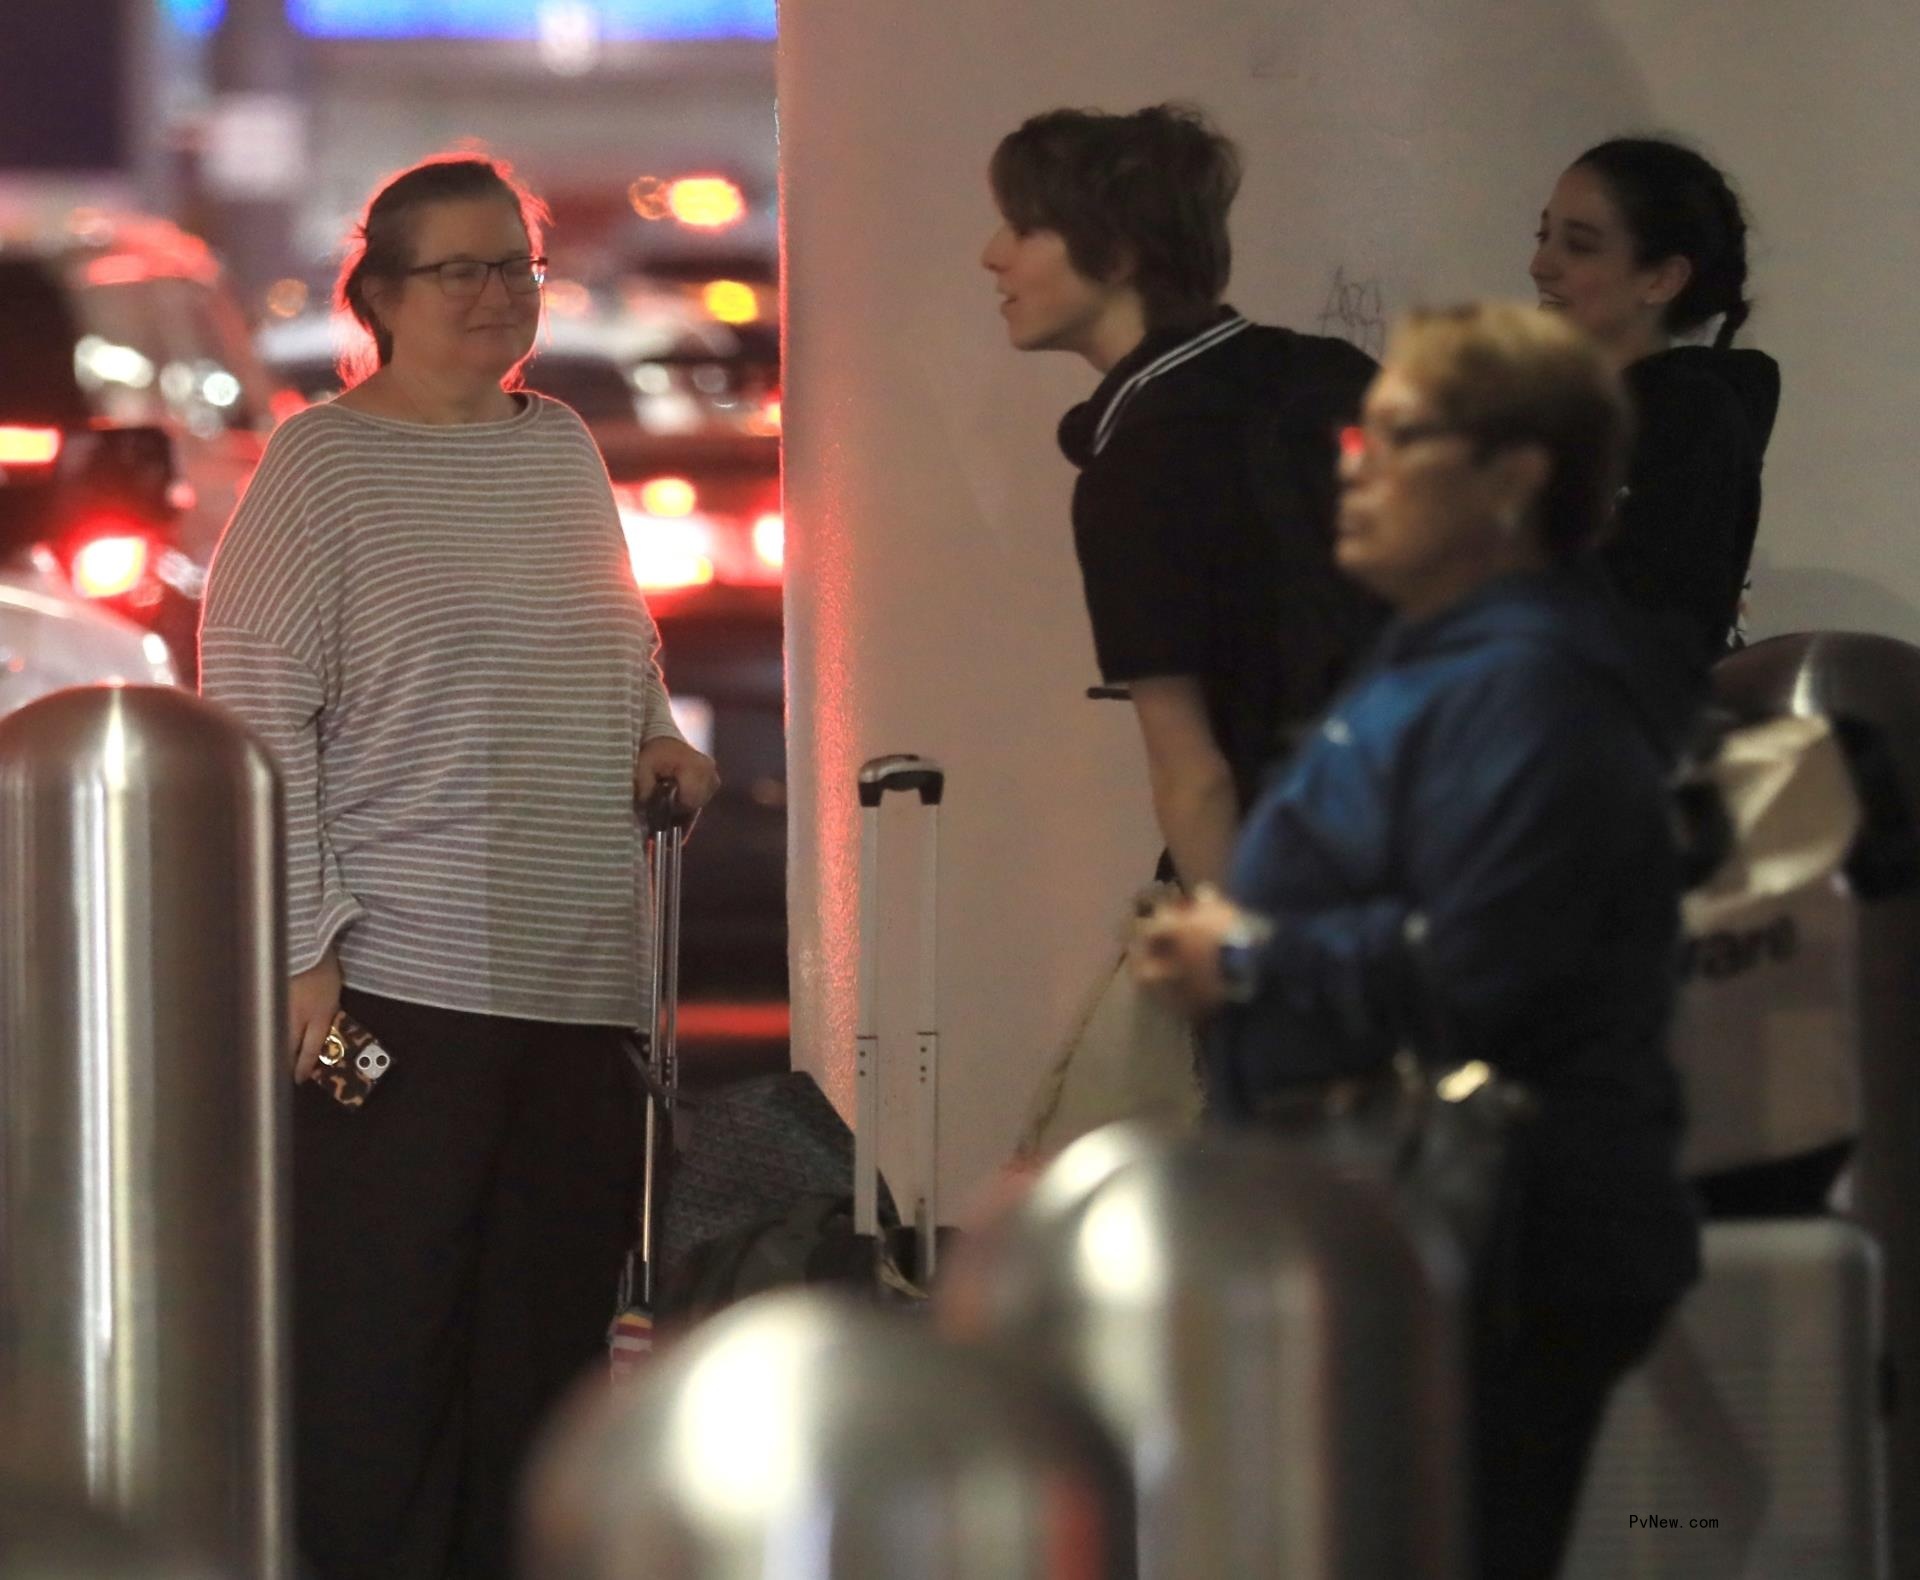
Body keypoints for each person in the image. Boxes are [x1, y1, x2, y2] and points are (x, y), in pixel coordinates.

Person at [199, 154, 718, 1580]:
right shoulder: (324, 465)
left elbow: (613, 632)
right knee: (380, 1361)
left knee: (547, 1362)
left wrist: (657, 731)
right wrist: (304, 949)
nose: (498, 295)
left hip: (579, 979)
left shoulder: (559, 445)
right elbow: (256, 703)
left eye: (516, 267)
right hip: (396, 986)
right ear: (379, 294)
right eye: (460, 270)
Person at [1132, 304, 1701, 1580]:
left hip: (1494, 1236)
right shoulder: (1444, 662)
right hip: (1427, 1226)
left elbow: (1490, 959)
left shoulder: (1525, 680)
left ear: (1512, 480)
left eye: (1398, 440)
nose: (1356, 467)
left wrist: (1247, 958)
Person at [982, 104, 1383, 890]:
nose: (992, 255)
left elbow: (1194, 778)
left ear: (1117, 254)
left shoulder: (1140, 466)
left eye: (1026, 228)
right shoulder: (1328, 371)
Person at [1531, 136, 1780, 669]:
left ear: (1662, 279)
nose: (1540, 264)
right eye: (1543, 235)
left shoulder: (1688, 423)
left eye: (1579, 245)